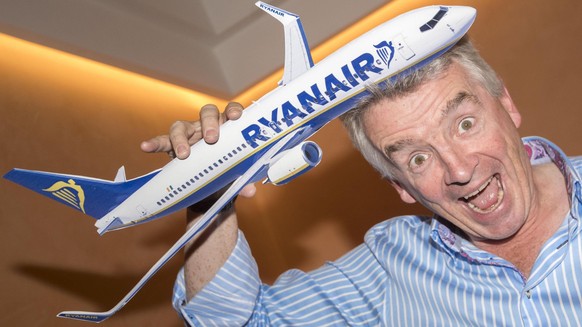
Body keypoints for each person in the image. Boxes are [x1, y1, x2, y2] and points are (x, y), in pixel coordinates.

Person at [141, 36, 582, 325]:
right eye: (418, 158)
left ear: (506, 103)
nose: (460, 170)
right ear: (400, 186)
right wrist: (208, 189)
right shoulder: (390, 264)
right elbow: (234, 322)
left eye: (464, 124)